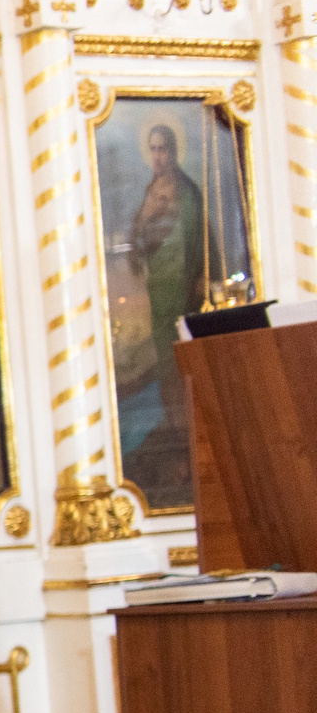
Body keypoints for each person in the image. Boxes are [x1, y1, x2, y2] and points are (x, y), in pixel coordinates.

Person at [118, 122, 205, 499]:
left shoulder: (187, 191)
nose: (158, 156)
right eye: (153, 149)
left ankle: (187, 428)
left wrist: (198, 278)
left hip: (183, 284)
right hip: (159, 286)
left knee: (179, 357)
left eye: (163, 149)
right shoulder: (150, 191)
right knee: (165, 354)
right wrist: (148, 217)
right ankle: (174, 423)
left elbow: (199, 239)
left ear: (174, 151)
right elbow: (136, 240)